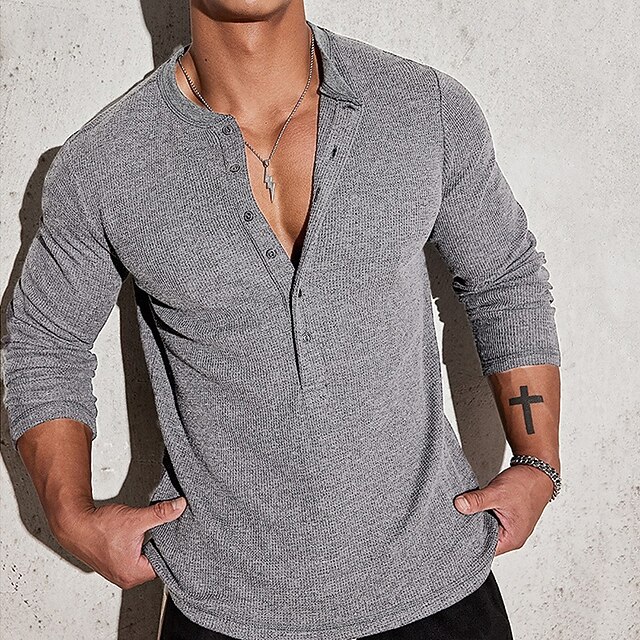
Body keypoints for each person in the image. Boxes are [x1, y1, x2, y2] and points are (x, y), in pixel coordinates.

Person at [1, 1, 562, 638]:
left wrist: (538, 462)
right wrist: (71, 516)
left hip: (439, 593)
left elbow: (504, 276)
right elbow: (46, 344)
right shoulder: (106, 163)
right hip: (225, 610)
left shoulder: (421, 110)